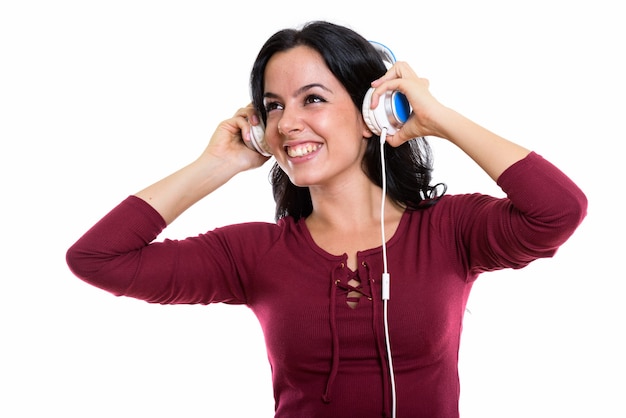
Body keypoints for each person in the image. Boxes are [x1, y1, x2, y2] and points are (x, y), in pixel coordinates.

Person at [66, 20, 587, 418]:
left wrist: (437, 118)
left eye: (312, 99)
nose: (288, 123)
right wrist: (217, 164)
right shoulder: (253, 253)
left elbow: (558, 210)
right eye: (273, 107)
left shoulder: (450, 230)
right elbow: (97, 258)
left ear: (372, 113)